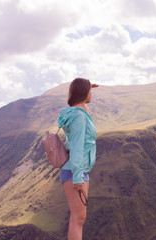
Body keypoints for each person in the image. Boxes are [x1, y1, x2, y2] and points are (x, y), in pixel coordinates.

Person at [57, 78, 98, 240]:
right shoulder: (79, 117)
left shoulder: (77, 113)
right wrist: (78, 176)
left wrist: (87, 87)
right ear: (83, 92)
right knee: (78, 218)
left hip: (77, 170)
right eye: (89, 91)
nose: (91, 94)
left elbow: (84, 110)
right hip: (75, 171)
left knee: (78, 218)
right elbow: (77, 147)